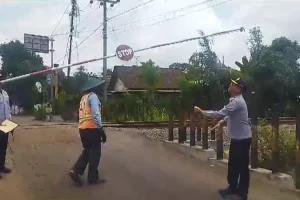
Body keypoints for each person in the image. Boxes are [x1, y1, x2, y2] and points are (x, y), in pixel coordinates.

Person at [194, 77, 251, 200]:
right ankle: (233, 188)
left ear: (238, 89)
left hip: (242, 139)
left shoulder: (237, 102)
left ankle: (242, 194)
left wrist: (201, 111)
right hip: (237, 139)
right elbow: (229, 115)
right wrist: (222, 122)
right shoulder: (235, 101)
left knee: (241, 166)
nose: (230, 85)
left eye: (233, 84)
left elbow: (220, 113)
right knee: (233, 165)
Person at [69, 79, 107, 186]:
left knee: (87, 151)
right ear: (94, 88)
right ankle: (92, 178)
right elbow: (95, 114)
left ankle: (75, 171)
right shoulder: (93, 96)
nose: (100, 88)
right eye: (99, 86)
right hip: (92, 129)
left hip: (83, 129)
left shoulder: (83, 98)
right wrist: (101, 130)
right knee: (95, 153)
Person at [0, 77, 12, 179]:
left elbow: (7, 107)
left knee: (4, 147)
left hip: (6, 123)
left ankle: (1, 167)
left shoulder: (4, 93)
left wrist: (10, 121)